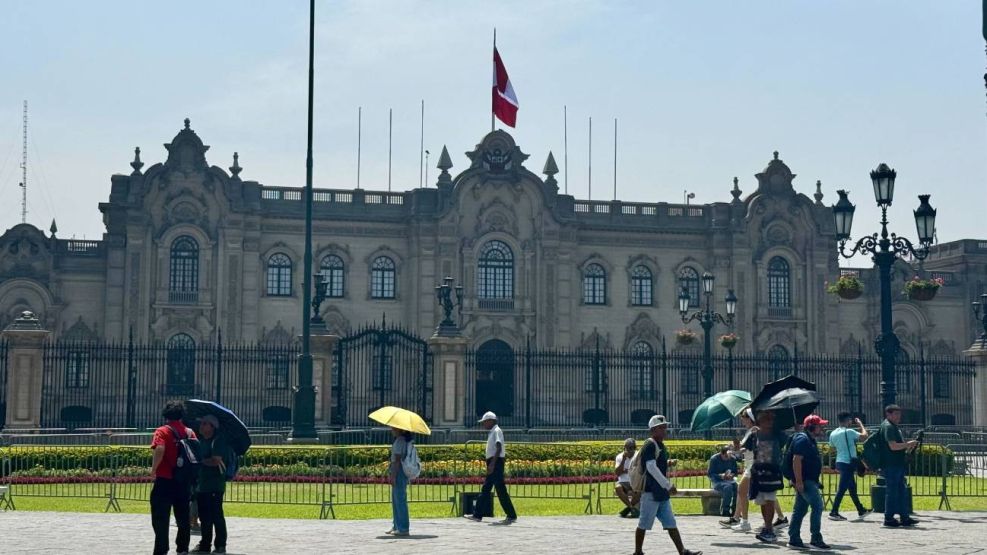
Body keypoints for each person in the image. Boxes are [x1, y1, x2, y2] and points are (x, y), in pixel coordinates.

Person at [633, 415, 702, 555]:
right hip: (651, 491)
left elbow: (656, 464)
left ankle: (682, 551)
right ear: (653, 430)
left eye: (665, 427)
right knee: (644, 524)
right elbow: (651, 467)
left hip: (661, 493)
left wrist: (668, 464)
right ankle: (638, 552)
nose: (665, 430)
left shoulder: (659, 445)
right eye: (661, 428)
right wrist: (668, 485)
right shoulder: (650, 445)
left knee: (671, 523)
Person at [150, 401, 196, 555]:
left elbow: (160, 449)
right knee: (183, 517)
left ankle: (161, 549)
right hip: (183, 481)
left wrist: (154, 469)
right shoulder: (190, 432)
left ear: (166, 415)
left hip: (165, 479)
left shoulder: (162, 431)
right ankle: (182, 548)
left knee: (160, 517)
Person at [464, 411, 517, 524]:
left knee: (488, 488)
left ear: (491, 421)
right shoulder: (493, 431)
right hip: (495, 462)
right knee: (498, 490)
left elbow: (498, 447)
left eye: (485, 422)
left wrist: (492, 464)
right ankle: (511, 515)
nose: (483, 424)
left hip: (495, 462)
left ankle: (478, 515)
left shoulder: (496, 431)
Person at [787, 415, 831, 550]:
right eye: (820, 426)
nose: (822, 428)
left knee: (800, 510)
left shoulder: (808, 439)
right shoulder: (803, 440)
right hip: (805, 481)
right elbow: (796, 460)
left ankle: (794, 539)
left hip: (808, 480)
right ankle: (815, 539)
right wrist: (799, 481)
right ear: (812, 427)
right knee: (817, 506)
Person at [192, 414, 230, 554]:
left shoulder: (218, 441)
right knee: (204, 516)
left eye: (204, 424)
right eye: (201, 423)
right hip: (202, 484)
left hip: (215, 484)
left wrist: (200, 461)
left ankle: (220, 544)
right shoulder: (201, 440)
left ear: (212, 427)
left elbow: (216, 460)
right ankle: (205, 543)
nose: (201, 426)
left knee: (216, 515)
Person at [749, 410, 787, 543]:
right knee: (762, 501)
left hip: (772, 472)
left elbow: (784, 443)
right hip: (759, 472)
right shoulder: (755, 435)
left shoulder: (777, 434)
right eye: (766, 419)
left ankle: (770, 529)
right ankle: (766, 526)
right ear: (760, 421)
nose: (769, 422)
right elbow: (747, 446)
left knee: (770, 499)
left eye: (771, 419)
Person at [880, 404, 919, 528]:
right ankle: (889, 518)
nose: (898, 417)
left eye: (899, 414)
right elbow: (893, 446)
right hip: (891, 464)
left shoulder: (893, 426)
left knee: (901, 491)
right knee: (892, 492)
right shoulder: (888, 427)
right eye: (895, 414)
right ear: (888, 414)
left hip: (897, 464)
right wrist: (908, 444)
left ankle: (904, 517)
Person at [828, 411, 871, 520]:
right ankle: (834, 512)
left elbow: (832, 448)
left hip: (840, 461)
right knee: (842, 488)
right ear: (847, 420)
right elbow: (864, 436)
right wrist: (860, 424)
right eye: (850, 420)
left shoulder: (833, 433)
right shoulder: (849, 432)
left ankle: (861, 510)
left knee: (852, 488)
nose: (851, 421)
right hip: (848, 462)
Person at [387, 427, 413, 536]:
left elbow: (397, 461)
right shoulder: (404, 440)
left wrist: (393, 476)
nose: (391, 430)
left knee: (400, 500)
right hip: (400, 471)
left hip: (399, 471)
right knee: (396, 499)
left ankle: (403, 528)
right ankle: (397, 525)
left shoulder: (399, 441)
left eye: (393, 428)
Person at [707, 445, 738, 519]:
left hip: (729, 480)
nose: (728, 459)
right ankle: (725, 510)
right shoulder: (714, 459)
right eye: (726, 457)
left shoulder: (732, 459)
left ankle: (735, 510)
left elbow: (735, 472)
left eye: (729, 457)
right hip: (717, 481)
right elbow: (710, 474)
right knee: (728, 487)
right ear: (721, 453)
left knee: (738, 487)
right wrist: (720, 476)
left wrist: (732, 475)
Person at [615, 438, 640, 518]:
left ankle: (628, 508)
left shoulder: (638, 456)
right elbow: (618, 473)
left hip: (635, 481)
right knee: (618, 487)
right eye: (626, 448)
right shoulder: (619, 456)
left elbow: (639, 471)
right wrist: (623, 459)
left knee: (641, 490)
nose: (628, 450)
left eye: (631, 448)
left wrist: (626, 470)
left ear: (634, 448)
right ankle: (631, 508)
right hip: (623, 482)